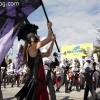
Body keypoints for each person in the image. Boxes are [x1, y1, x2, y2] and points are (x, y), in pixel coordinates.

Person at [15, 21, 55, 100]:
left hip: (40, 82)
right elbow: (49, 38)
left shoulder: (36, 51)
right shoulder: (32, 48)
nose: (38, 36)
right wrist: (49, 27)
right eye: (37, 35)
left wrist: (53, 41)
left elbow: (48, 53)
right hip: (36, 82)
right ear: (32, 39)